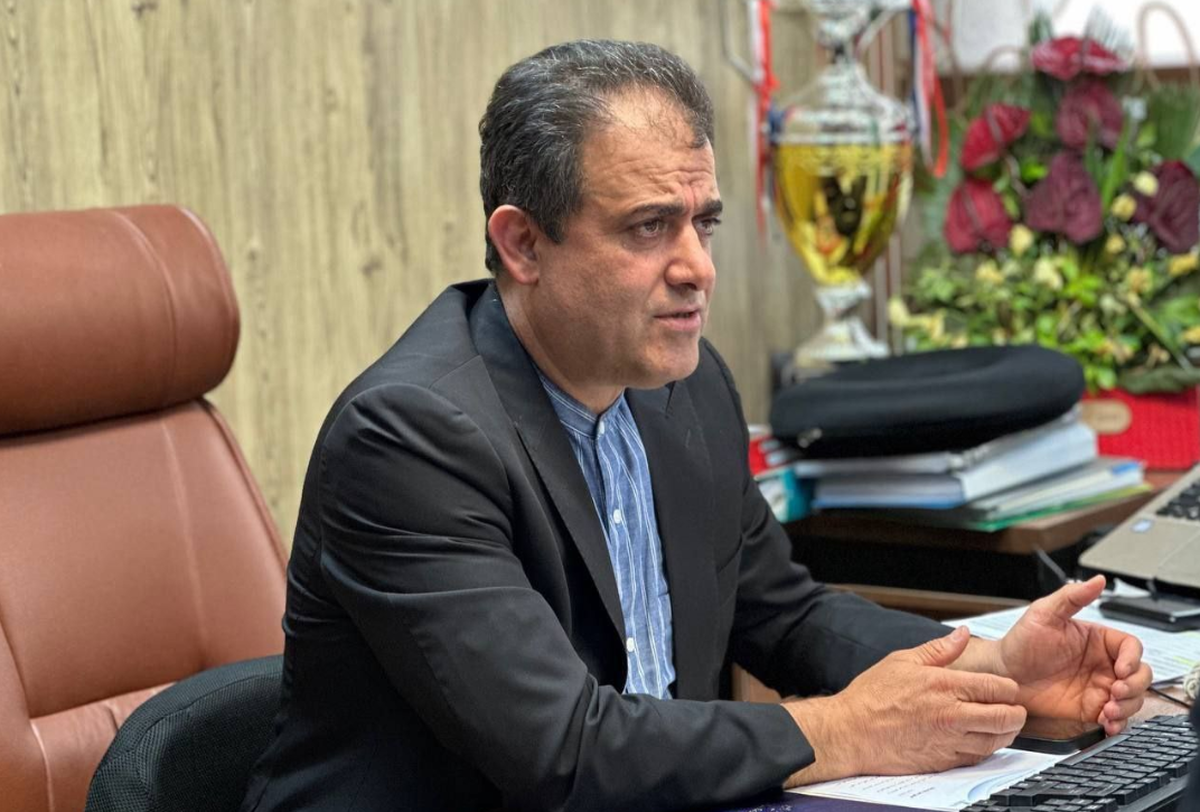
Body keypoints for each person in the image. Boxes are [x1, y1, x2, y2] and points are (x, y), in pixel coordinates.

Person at [240, 39, 1152, 812]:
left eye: (702, 224)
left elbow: (784, 614)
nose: (697, 268)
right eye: (648, 228)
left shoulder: (684, 385)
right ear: (522, 244)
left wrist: (993, 669)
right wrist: (848, 729)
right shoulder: (410, 437)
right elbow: (562, 749)